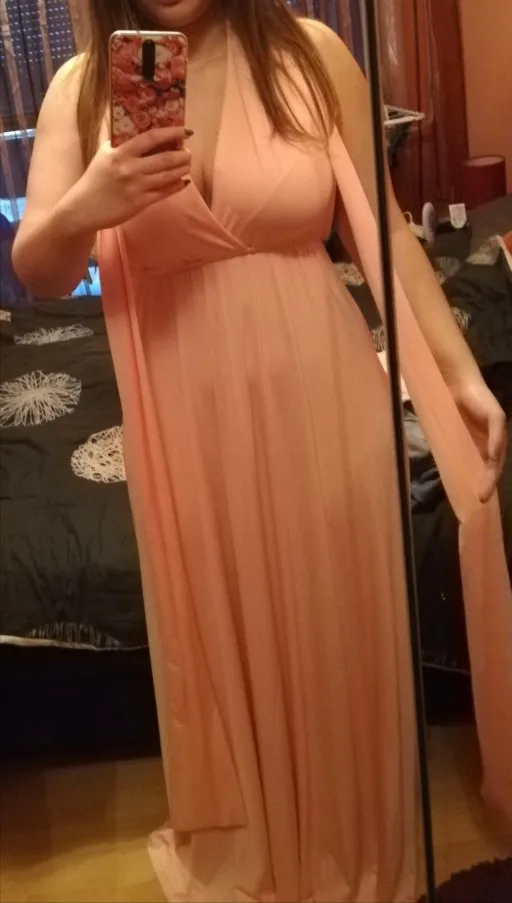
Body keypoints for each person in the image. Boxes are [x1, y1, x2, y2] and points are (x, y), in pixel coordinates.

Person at [13, 1, 512, 901]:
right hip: (186, 435)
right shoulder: (82, 89)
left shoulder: (312, 56)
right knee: (229, 643)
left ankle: (355, 851)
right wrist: (92, 202)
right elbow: (40, 267)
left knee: (335, 637)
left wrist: (461, 374)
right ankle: (270, 851)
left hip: (326, 408)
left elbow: (387, 234)